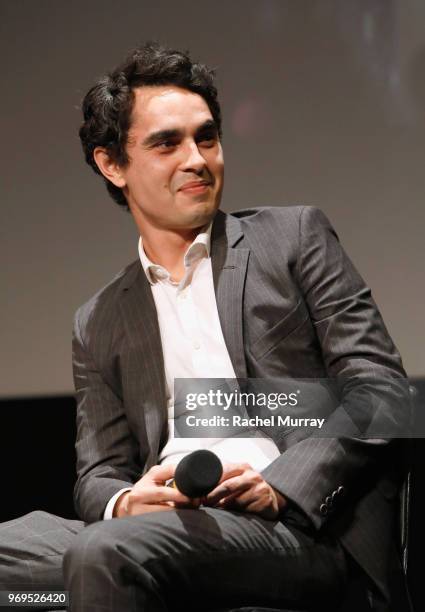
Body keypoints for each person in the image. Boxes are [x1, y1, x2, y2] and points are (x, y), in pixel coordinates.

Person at [0, 42, 409, 612]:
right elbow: (100, 471)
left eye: (207, 137)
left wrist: (282, 486)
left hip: (292, 529)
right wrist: (125, 502)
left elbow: (382, 393)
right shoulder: (99, 319)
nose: (197, 158)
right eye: (167, 143)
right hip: (164, 528)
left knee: (104, 555)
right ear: (111, 164)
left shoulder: (291, 239)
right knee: (22, 563)